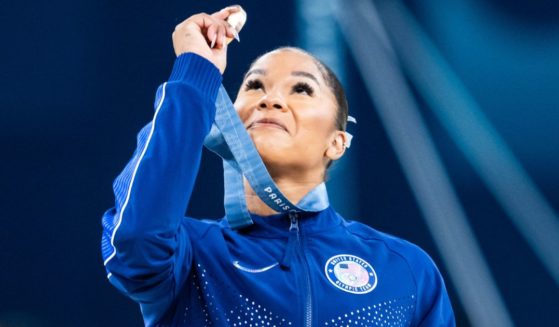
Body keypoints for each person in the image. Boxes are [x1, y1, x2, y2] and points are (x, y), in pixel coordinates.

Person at [101, 6, 456, 327]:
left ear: (337, 142)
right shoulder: (194, 256)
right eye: (254, 85)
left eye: (301, 89)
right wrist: (196, 73)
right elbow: (134, 242)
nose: (270, 99)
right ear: (230, 120)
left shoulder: (406, 270)